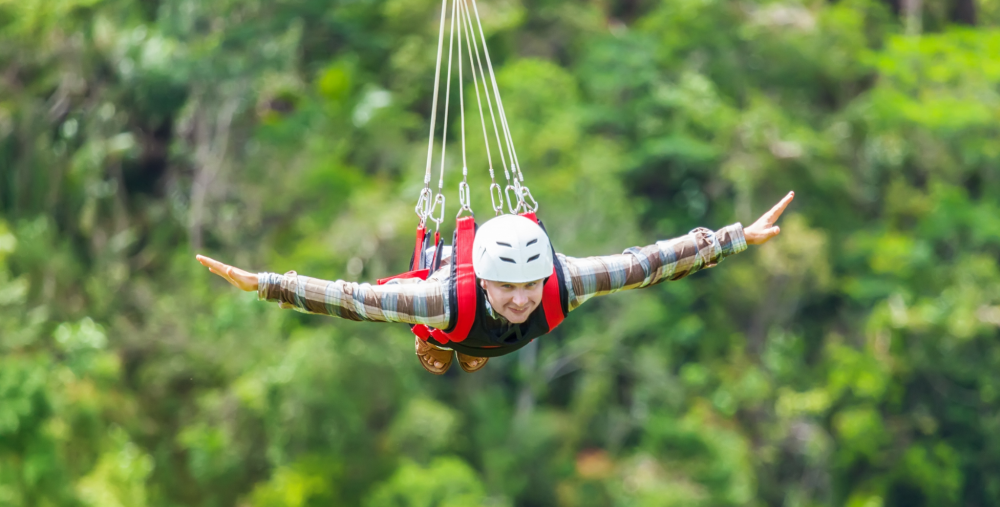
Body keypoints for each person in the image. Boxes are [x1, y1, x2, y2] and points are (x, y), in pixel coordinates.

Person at [197, 192, 794, 374]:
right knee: (444, 346)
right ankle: (442, 348)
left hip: (476, 330)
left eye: (529, 287)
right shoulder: (438, 298)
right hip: (451, 324)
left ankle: (465, 352)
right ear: (483, 281)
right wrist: (267, 284)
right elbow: (355, 299)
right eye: (507, 289)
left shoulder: (564, 282)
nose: (520, 299)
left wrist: (736, 236)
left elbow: (648, 262)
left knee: (484, 342)